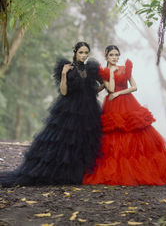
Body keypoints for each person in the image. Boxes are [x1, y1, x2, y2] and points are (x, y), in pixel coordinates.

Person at [83, 45, 166, 185]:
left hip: (128, 102)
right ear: (106, 56)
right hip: (112, 106)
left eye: (117, 55)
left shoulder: (125, 68)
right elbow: (109, 89)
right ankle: (119, 170)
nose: (115, 57)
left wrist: (119, 92)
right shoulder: (103, 72)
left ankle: (143, 168)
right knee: (115, 134)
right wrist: (111, 73)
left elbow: (134, 87)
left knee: (136, 131)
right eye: (112, 55)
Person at [0, 42, 102, 187]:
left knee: (83, 142)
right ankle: (62, 174)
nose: (84, 55)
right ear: (75, 53)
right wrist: (63, 74)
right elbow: (64, 92)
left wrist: (93, 92)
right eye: (81, 52)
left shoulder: (90, 69)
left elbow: (101, 84)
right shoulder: (67, 68)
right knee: (66, 142)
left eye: (86, 53)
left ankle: (79, 174)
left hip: (88, 109)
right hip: (70, 109)